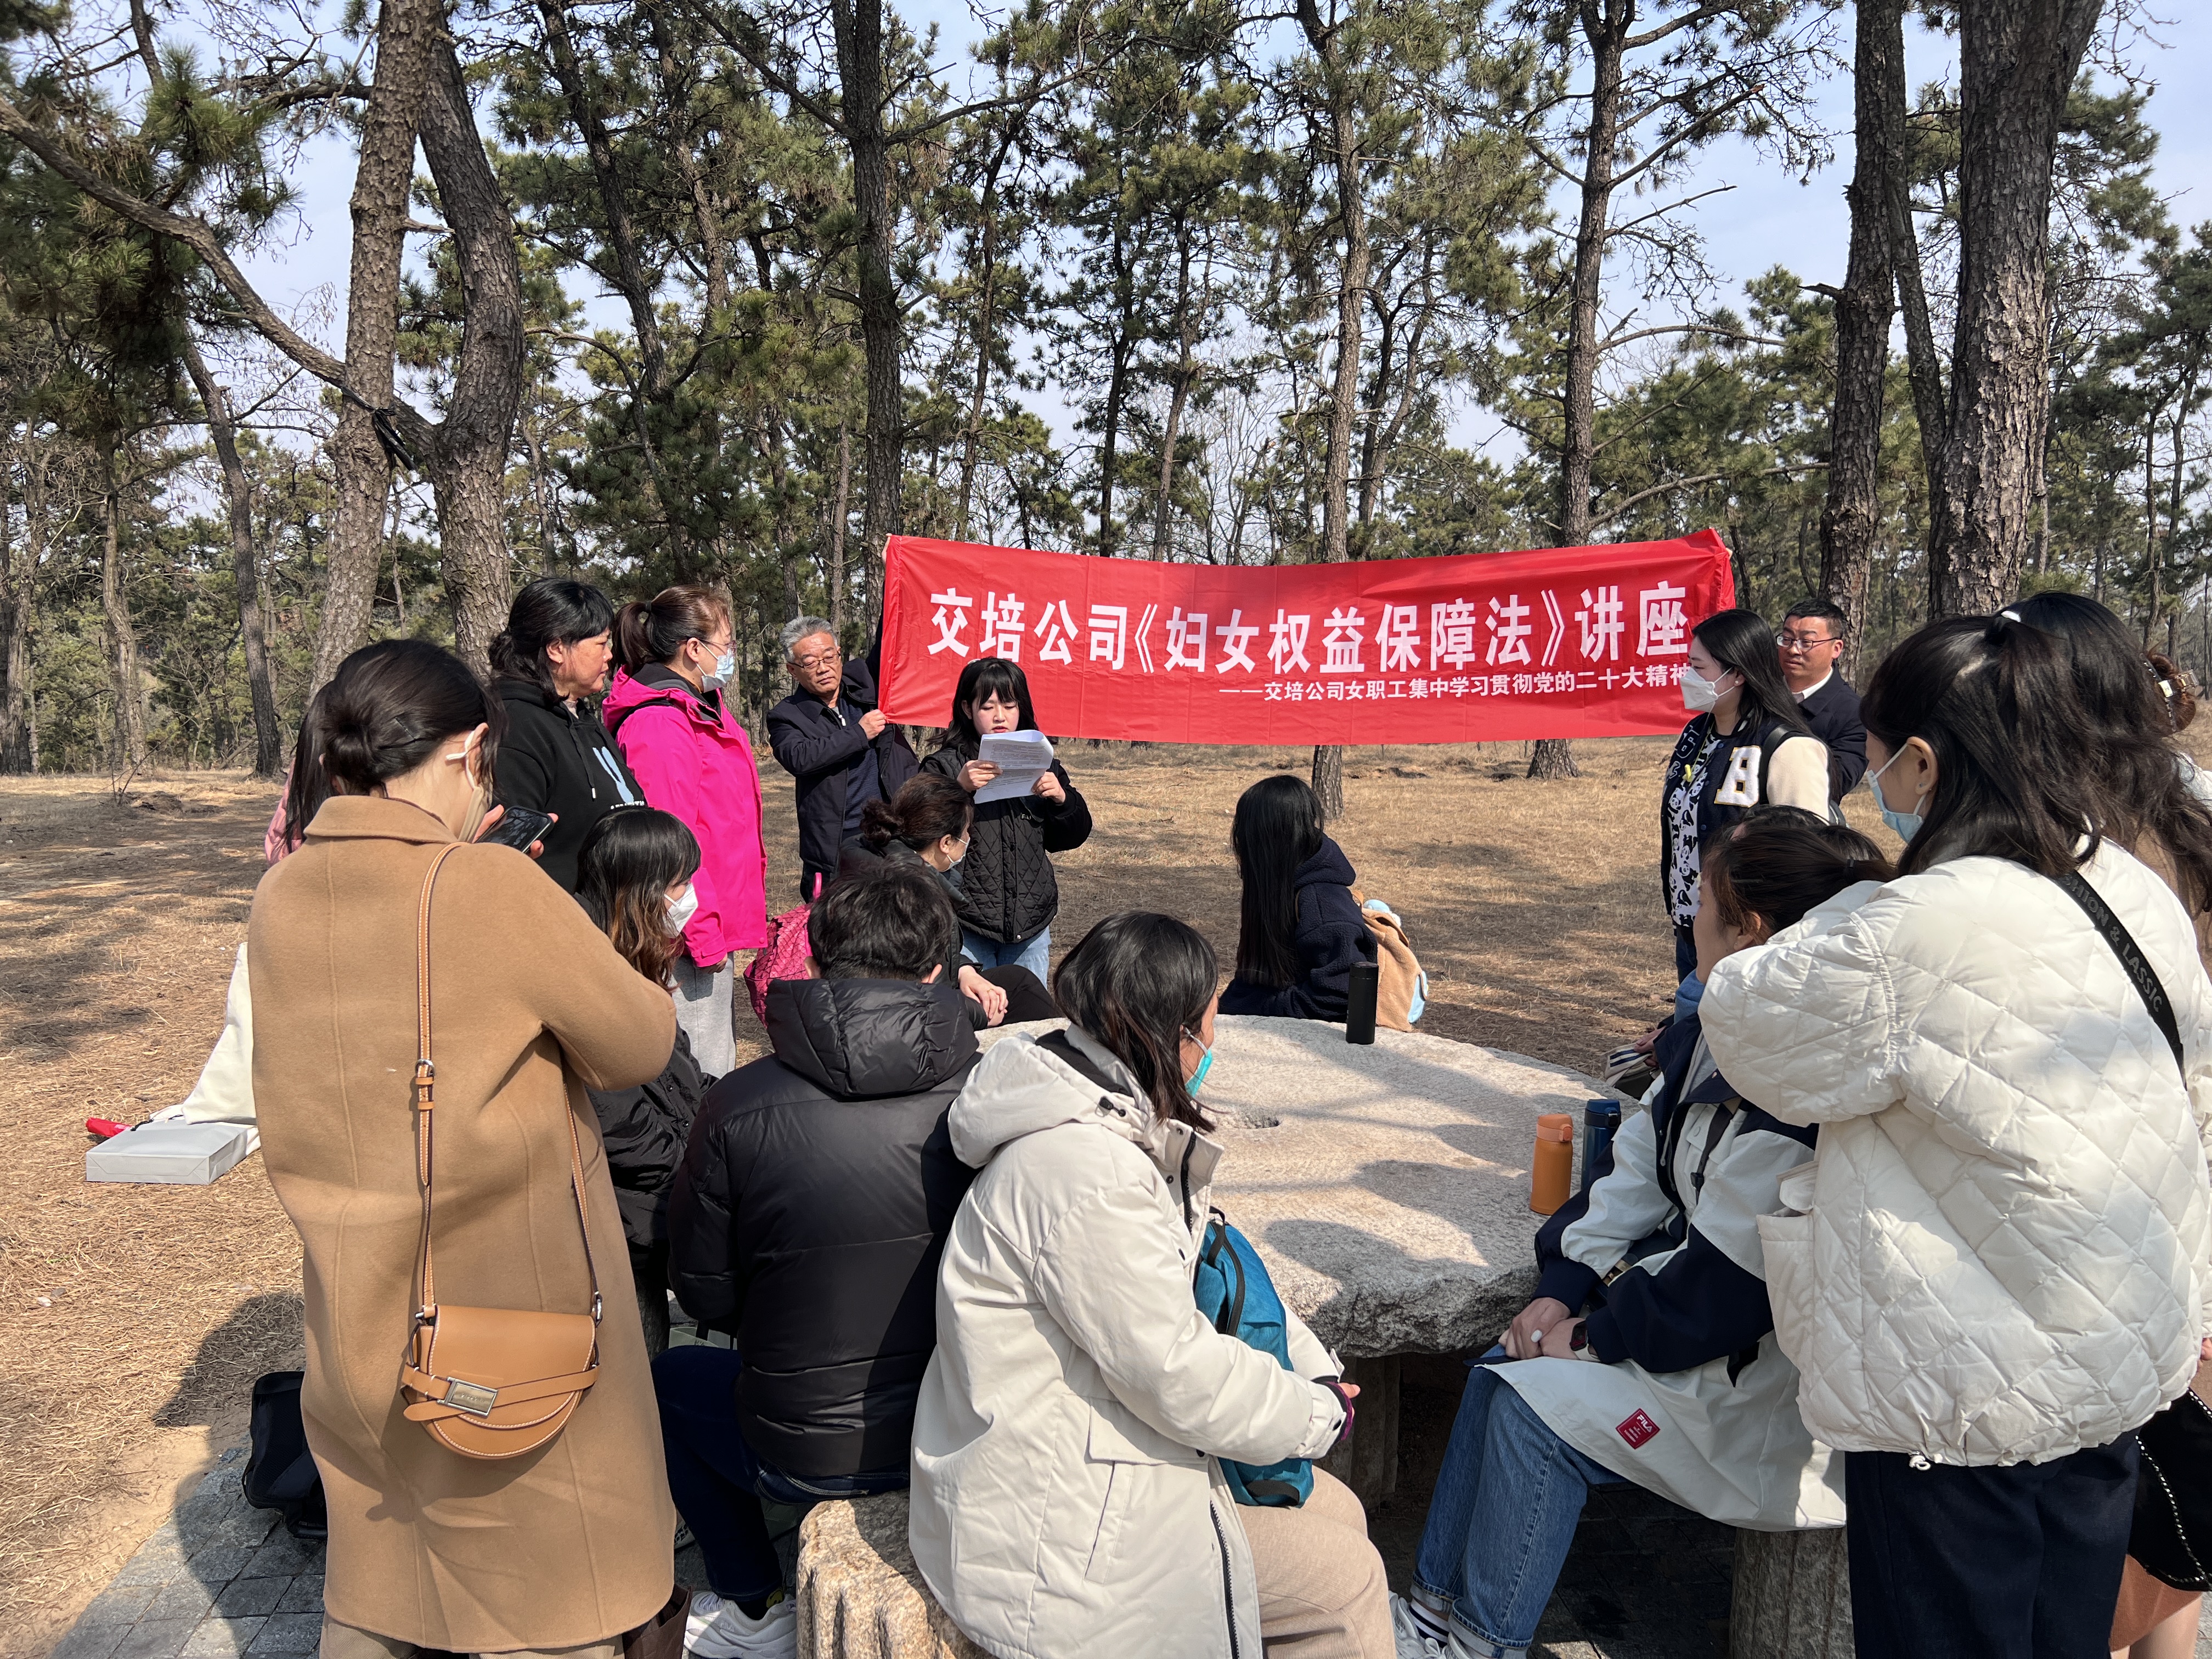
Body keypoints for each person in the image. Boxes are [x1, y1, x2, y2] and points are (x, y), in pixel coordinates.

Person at [1700, 615, 2212, 1659]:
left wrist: (1786, 911)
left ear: (1925, 762)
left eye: (1882, 756)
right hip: (2109, 1369)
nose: (1876, 781)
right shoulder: (2126, 885)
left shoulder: (1913, 924)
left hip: (1960, 1398)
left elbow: (1752, 1030)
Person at [245, 639, 680, 1659]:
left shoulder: (283, 894)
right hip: (510, 1328)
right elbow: (637, 1044)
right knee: (548, 1611)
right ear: (469, 749)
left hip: (357, 1315)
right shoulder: (488, 886)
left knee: (380, 1597)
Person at [1393, 808, 1891, 1659]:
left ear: (1750, 928)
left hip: (1756, 1399)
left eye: (1704, 902)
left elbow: (1726, 1292)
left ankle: (1480, 1642)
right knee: (1500, 1367)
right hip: (1684, 1343)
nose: (1688, 916)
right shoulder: (1711, 1039)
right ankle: (1432, 1613)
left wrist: (1591, 1338)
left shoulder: (1805, 1091)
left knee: (1534, 1414)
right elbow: (1630, 1174)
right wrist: (1560, 1292)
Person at [909, 911, 1390, 1659]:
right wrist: (1316, 1416)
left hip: (1081, 1457)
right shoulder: (1086, 1173)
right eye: (1210, 1021)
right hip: (1051, 1534)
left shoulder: (1094, 1105)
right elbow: (1175, 1372)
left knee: (1338, 1513)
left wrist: (1313, 1374)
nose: (1215, 1043)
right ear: (1172, 1033)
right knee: (1349, 1580)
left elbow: (1205, 1261)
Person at [657, 862, 984, 1659]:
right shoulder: (991, 1095)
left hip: (800, 1451)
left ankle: (754, 1605)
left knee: (667, 1382)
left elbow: (703, 1293)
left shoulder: (736, 1103)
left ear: (814, 958)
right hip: (966, 1430)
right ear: (936, 971)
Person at [603, 584, 768, 1076]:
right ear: (694, 648)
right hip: (686, 934)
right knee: (701, 1070)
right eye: (726, 642)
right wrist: (701, 933)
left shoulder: (701, 706)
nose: (731, 653)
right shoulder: (660, 722)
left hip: (711, 918)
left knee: (716, 1057)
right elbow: (668, 845)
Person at [575, 807, 710, 1359]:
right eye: (680, 884)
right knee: (636, 1365)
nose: (688, 898)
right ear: (641, 890)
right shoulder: (586, 978)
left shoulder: (628, 956)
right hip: (620, 1223)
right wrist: (693, 1166)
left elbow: (678, 1075)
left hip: (647, 1206)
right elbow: (617, 1122)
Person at [1659, 608, 1827, 1008]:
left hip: (1749, 942)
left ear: (1736, 674)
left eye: (1698, 667)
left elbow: (1808, 855)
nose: (1687, 677)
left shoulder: (1786, 747)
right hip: (1695, 928)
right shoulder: (1696, 734)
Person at [836, 773, 1058, 1028]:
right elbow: (913, 994)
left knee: (1018, 980)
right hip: (903, 1020)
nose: (970, 839)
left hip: (927, 995)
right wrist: (978, 1013)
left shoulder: (879, 857)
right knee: (1020, 1002)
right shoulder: (906, 898)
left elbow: (936, 961)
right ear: (946, 843)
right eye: (967, 832)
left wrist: (965, 971)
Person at [918, 656, 1092, 980]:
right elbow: (919, 834)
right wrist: (959, 789)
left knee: (1028, 1007)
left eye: (1009, 705)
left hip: (1030, 922)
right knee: (974, 1009)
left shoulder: (1041, 760)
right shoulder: (943, 766)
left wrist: (1062, 800)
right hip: (966, 923)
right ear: (967, 709)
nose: (1000, 716)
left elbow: (1071, 837)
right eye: (988, 707)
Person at [490, 577, 645, 893]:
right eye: (601, 644)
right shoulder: (515, 728)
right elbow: (507, 863)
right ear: (557, 649)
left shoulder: (580, 715)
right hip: (563, 918)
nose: (609, 655)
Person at [766, 617, 918, 900]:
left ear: (839, 654)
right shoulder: (787, 715)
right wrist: (860, 734)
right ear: (792, 670)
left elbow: (891, 637)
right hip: (837, 845)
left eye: (829, 657)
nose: (823, 668)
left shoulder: (865, 682)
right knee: (839, 921)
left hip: (894, 830)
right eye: (810, 663)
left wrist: (895, 590)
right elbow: (799, 757)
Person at [1218, 772, 1379, 1023]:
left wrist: (1254, 1006)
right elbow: (1255, 980)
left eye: (1246, 833)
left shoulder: (1322, 905)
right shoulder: (1279, 886)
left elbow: (1339, 997)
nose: (1238, 841)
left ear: (1269, 841)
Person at [1775, 599, 1866, 809]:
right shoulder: (1758, 692)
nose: (1793, 650)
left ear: (1836, 648)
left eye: (1806, 642)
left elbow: (1837, 782)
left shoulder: (1853, 713)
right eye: (1787, 639)